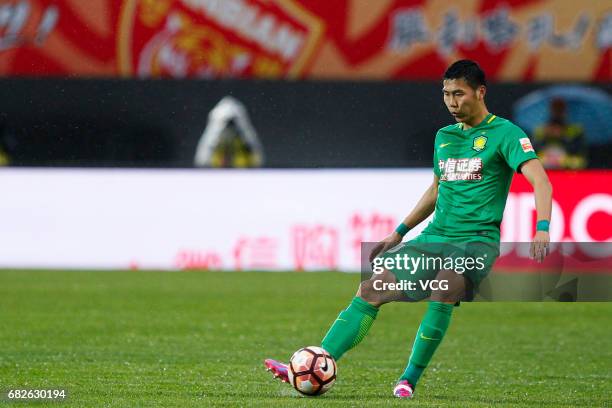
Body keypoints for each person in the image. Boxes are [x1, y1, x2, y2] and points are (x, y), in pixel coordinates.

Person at [264, 60, 553, 398]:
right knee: (371, 290)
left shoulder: (506, 134)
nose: (452, 102)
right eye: (446, 94)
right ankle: (316, 363)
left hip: (476, 242)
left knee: (444, 288)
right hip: (434, 236)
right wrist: (399, 232)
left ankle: (408, 380)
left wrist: (542, 228)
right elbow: (436, 190)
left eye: (459, 93)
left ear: (480, 92)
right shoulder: (444, 137)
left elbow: (541, 181)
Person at [194, 96, 264, 168]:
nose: (229, 127)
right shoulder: (219, 134)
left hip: (238, 162)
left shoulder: (238, 135)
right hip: (223, 161)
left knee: (240, 151)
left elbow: (208, 143)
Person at [532, 97, 587, 169]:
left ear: (565, 110)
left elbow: (578, 152)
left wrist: (563, 137)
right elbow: (533, 150)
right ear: (551, 109)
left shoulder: (576, 129)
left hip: (568, 169)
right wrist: (546, 136)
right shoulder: (541, 129)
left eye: (560, 108)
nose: (557, 111)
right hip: (545, 168)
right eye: (555, 108)